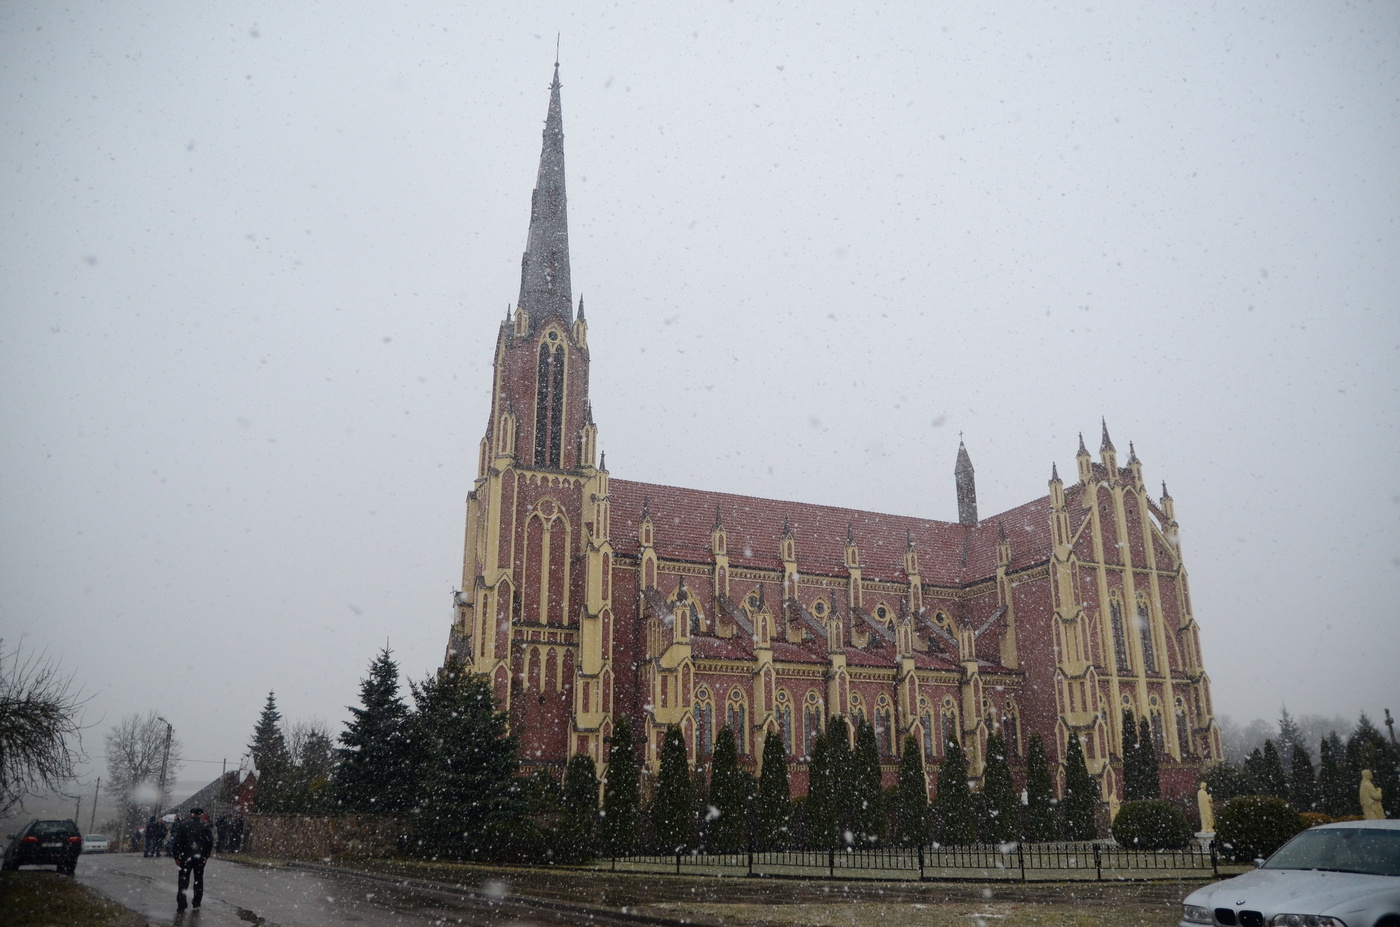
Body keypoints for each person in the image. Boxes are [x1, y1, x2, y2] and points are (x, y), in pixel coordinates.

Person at [171, 807, 214, 910]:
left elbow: (177, 842)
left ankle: (182, 903)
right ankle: (196, 902)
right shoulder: (205, 826)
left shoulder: (183, 825)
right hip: (200, 856)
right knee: (198, 880)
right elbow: (210, 842)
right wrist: (206, 855)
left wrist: (176, 856)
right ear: (201, 815)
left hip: (185, 856)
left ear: (191, 814)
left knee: (183, 881)